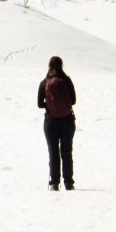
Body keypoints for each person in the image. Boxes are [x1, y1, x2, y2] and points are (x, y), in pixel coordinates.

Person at [37, 55, 77, 190]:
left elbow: (39, 104)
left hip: (51, 121)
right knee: (67, 151)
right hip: (67, 120)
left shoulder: (45, 82)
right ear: (62, 65)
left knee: (53, 152)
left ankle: (54, 183)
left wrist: (49, 104)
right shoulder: (67, 80)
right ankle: (69, 183)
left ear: (49, 66)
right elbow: (73, 101)